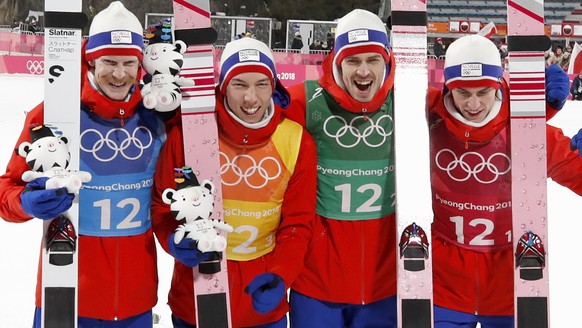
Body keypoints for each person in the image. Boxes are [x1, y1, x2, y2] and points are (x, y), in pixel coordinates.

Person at [0, 2, 169, 327]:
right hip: (65, 296)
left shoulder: (157, 121)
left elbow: (165, 202)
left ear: (140, 65)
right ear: (90, 61)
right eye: (108, 62)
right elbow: (6, 192)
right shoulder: (50, 116)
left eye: (128, 63)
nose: (119, 74)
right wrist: (27, 202)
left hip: (136, 301)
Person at [151, 37, 317, 327]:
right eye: (239, 84)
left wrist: (281, 274)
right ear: (223, 86)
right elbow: (162, 206)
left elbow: (297, 225)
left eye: (261, 84)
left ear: (274, 87)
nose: (251, 98)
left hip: (261, 302)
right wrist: (174, 241)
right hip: (196, 299)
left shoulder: (296, 140)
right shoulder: (189, 133)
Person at [427, 34, 582, 327]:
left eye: (483, 92)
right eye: (463, 93)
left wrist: (535, 112)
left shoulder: (529, 136)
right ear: (447, 87)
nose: (473, 104)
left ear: (499, 85)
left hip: (511, 287)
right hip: (443, 287)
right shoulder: (428, 121)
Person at [284, 9, 398, 327]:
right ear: (338, 62)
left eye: (372, 60)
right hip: (316, 286)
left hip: (384, 287)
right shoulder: (306, 101)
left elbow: (472, 117)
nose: (363, 71)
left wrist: (539, 104)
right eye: (353, 61)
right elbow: (243, 117)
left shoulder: (406, 101)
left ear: (386, 62)